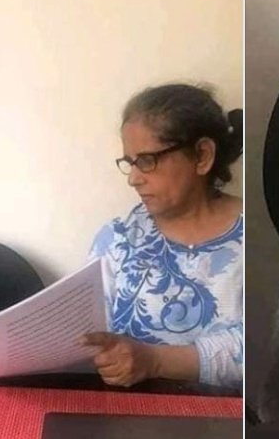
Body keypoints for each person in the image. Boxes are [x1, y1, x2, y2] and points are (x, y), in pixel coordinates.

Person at [80, 83, 244, 389]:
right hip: (123, 414)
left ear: (202, 156)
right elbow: (89, 335)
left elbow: (261, 348)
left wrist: (154, 361)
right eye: (130, 162)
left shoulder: (252, 240)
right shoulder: (116, 239)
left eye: (146, 161)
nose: (133, 178)